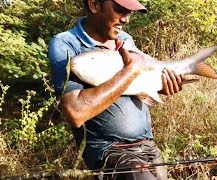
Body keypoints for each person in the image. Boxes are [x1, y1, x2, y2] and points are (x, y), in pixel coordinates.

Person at [48, 0, 184, 179]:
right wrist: (130, 71)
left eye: (130, 13)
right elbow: (75, 112)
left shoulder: (125, 40)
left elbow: (136, 85)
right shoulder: (66, 44)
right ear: (95, 5)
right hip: (110, 152)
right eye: (120, 10)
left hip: (148, 146)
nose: (126, 19)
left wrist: (160, 86)